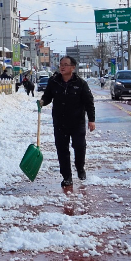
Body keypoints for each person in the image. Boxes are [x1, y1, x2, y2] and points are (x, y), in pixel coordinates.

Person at [39, 55, 96, 188]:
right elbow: (47, 96)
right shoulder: (54, 81)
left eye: (65, 64)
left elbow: (89, 103)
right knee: (62, 150)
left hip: (77, 123)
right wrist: (42, 102)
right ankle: (67, 177)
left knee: (79, 147)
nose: (62, 67)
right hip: (60, 123)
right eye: (61, 64)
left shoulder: (81, 84)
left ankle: (80, 168)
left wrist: (91, 120)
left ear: (73, 67)